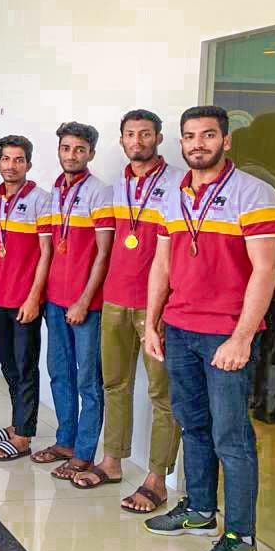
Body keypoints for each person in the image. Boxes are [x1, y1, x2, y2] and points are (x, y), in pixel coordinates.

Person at [143, 105, 275, 551]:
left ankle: (241, 540)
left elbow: (266, 270)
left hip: (226, 333)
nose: (197, 143)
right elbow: (162, 264)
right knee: (193, 424)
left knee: (232, 437)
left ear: (226, 140)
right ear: (181, 142)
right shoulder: (173, 195)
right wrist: (152, 323)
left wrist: (241, 337)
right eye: (189, 136)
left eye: (207, 135)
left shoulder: (254, 193)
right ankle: (200, 509)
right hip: (180, 329)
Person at [71, 111, 182, 510]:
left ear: (158, 138)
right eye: (131, 134)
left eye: (145, 134)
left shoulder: (178, 183)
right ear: (121, 141)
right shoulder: (116, 186)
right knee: (114, 384)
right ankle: (112, 461)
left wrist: (166, 305)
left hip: (158, 304)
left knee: (162, 394)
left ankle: (157, 479)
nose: (138, 141)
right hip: (116, 298)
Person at [32, 122, 113, 481]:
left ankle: (83, 453)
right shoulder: (54, 192)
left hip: (86, 306)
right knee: (59, 373)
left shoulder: (99, 192)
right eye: (66, 148)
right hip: (55, 301)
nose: (72, 155)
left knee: (88, 382)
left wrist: (83, 300)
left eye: (79, 149)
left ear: (90, 153)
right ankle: (65, 441)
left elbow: (104, 254)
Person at [0, 135, 52, 461]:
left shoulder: (40, 200)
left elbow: (46, 253)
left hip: (25, 301)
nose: (11, 165)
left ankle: (23, 436)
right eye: (6, 159)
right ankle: (15, 423)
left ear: (28, 164)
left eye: (19, 159)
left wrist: (34, 297)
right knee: (8, 365)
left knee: (25, 368)